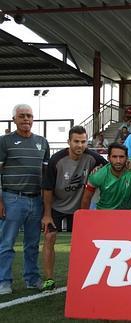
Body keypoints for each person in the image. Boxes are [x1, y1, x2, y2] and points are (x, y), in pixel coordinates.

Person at [40, 126, 107, 291]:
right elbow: (47, 189)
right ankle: (49, 279)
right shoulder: (56, 160)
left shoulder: (92, 157)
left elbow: (112, 166)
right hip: (57, 206)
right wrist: (47, 215)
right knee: (49, 238)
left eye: (83, 142)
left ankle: (83, 277)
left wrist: (103, 169)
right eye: (76, 141)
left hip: (79, 208)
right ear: (68, 142)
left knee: (84, 243)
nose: (80, 145)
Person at [0, 104, 50, 295]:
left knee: (32, 244)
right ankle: (4, 281)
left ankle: (32, 278)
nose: (26, 119)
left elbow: (46, 174)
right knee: (6, 243)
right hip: (12, 198)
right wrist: (0, 200)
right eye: (22, 116)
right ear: (14, 119)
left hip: (36, 199)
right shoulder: (4, 142)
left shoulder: (42, 142)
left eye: (29, 115)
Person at [81, 143, 131, 210]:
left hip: (128, 211)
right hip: (104, 212)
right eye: (114, 157)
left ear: (127, 158)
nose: (118, 161)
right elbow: (86, 198)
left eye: (121, 157)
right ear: (108, 158)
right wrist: (84, 219)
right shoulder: (98, 174)